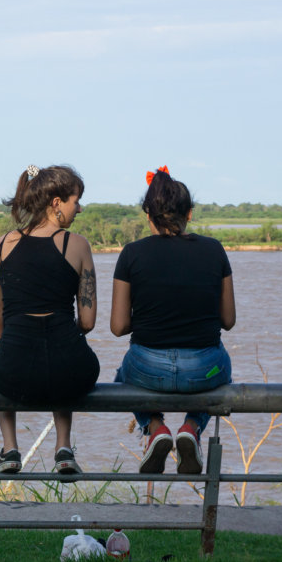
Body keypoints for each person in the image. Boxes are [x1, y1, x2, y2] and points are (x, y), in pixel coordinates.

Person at [110, 166, 236, 475]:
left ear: (148, 215)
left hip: (146, 368)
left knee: (120, 375)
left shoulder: (131, 254)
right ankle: (191, 427)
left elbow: (117, 327)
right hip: (205, 369)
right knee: (225, 368)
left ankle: (155, 428)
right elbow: (229, 320)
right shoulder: (214, 250)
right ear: (189, 213)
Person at [0, 164, 99, 478]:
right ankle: (63, 447)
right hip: (72, 372)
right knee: (65, 353)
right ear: (56, 203)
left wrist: (13, 341)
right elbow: (87, 322)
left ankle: (10, 448)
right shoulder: (77, 244)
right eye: (76, 201)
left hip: (14, 372)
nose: (79, 209)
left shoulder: (4, 244)